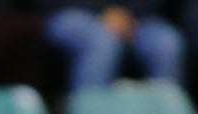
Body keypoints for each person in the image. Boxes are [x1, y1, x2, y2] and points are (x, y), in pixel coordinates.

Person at [41, 1, 182, 91]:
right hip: (70, 11)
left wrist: (128, 13)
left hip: (134, 17)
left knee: (166, 42)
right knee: (102, 40)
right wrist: (103, 13)